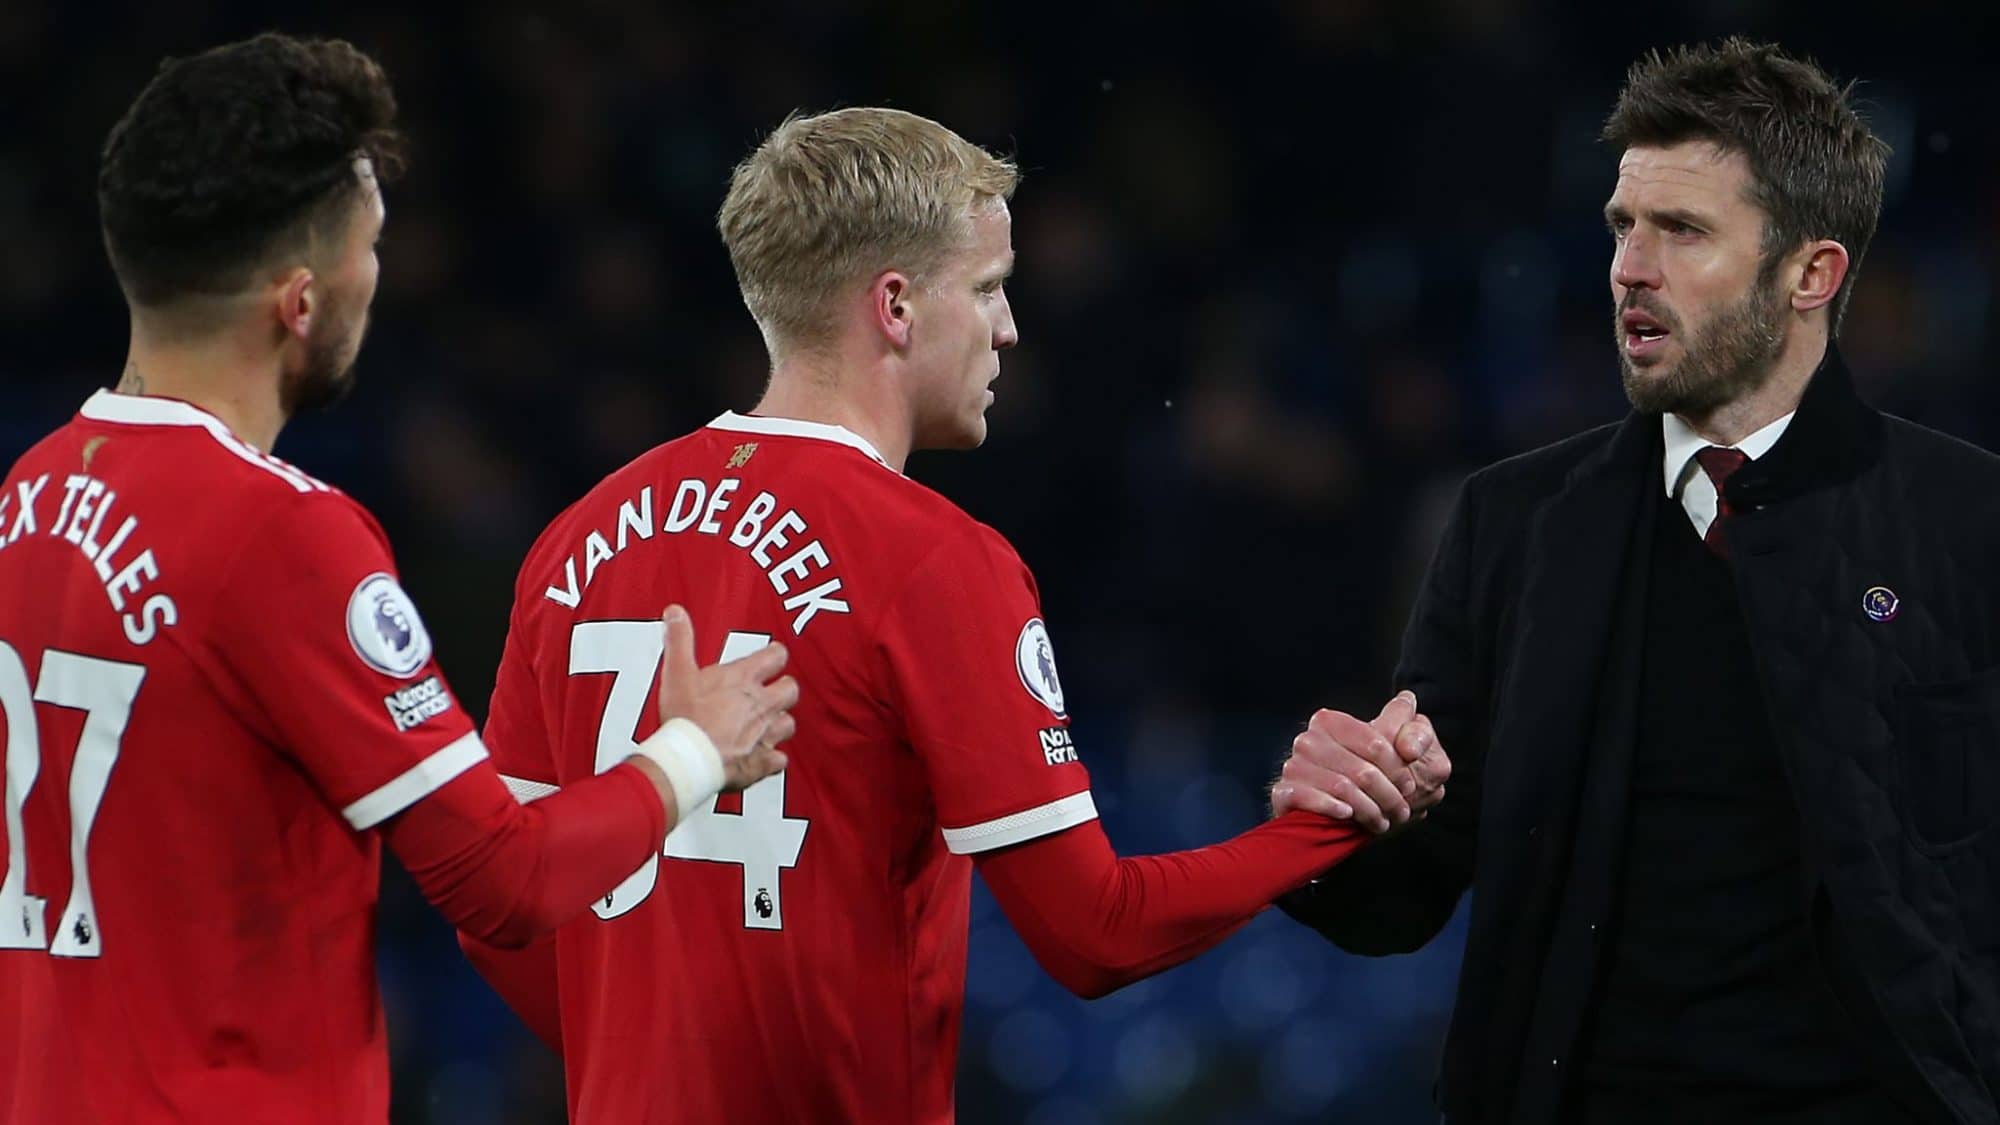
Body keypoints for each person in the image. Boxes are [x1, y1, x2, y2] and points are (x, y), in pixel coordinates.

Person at [457, 106, 1452, 1124]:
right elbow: (1094, 932)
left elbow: (494, 907)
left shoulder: (575, 540)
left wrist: (644, 1061)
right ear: (894, 305)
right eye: (984, 288)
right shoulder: (934, 559)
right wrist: (1318, 830)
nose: (1007, 327)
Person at [0, 34, 797, 1124]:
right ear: (300, 301)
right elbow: (502, 879)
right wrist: (695, 748)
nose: (376, 277)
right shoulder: (278, 535)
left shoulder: (31, 492)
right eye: (368, 246)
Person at [1275, 38, 1999, 1125]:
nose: (1628, 268)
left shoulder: (1969, 522)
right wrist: (1331, 825)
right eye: (1623, 225)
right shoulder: (1512, 526)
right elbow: (1399, 898)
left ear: (1810, 274)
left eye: (1682, 230)